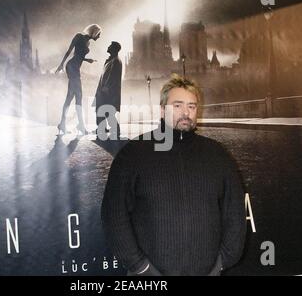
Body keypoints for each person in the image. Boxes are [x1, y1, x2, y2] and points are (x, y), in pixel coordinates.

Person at [101, 75, 246, 276]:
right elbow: (113, 214)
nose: (185, 112)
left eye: (192, 106)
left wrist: (222, 261)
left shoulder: (218, 155)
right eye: (177, 105)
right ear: (162, 110)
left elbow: (235, 213)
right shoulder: (133, 154)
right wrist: (140, 267)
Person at [55, 24, 101, 135]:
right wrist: (61, 65)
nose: (99, 37)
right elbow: (69, 51)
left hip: (75, 68)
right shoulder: (79, 36)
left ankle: (63, 124)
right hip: (72, 68)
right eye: (99, 34)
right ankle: (79, 126)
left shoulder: (88, 42)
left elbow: (79, 55)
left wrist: (86, 59)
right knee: (78, 96)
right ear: (94, 32)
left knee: (71, 97)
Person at [93, 41, 122, 139]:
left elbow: (112, 77)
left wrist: (106, 88)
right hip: (104, 90)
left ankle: (114, 129)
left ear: (114, 49)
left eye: (110, 46)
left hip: (108, 91)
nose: (108, 46)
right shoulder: (111, 60)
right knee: (103, 110)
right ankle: (102, 127)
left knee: (106, 110)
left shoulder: (115, 61)